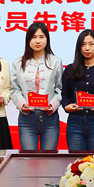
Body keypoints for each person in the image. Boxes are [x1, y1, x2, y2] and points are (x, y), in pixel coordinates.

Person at [10, 22, 62, 150]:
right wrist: (22, 104)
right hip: (27, 119)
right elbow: (14, 89)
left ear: (47, 39)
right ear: (28, 40)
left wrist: (53, 105)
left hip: (50, 118)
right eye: (33, 37)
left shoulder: (56, 62)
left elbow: (60, 88)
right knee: (29, 158)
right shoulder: (17, 63)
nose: (37, 41)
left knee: (49, 159)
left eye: (41, 37)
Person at [61, 29, 94, 151]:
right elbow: (65, 94)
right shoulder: (70, 69)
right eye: (83, 44)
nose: (87, 48)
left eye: (91, 44)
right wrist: (67, 106)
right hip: (75, 122)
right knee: (76, 160)